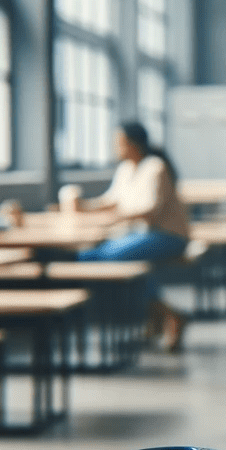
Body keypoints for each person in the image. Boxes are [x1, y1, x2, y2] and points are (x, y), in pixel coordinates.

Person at [76, 122, 192, 351]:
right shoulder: (126, 169)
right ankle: (161, 315)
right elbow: (111, 201)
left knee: (111, 257)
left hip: (168, 236)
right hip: (141, 236)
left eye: (119, 142)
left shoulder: (155, 167)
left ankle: (169, 315)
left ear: (133, 143)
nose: (115, 147)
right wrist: (83, 206)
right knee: (89, 255)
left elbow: (151, 209)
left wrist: (118, 218)